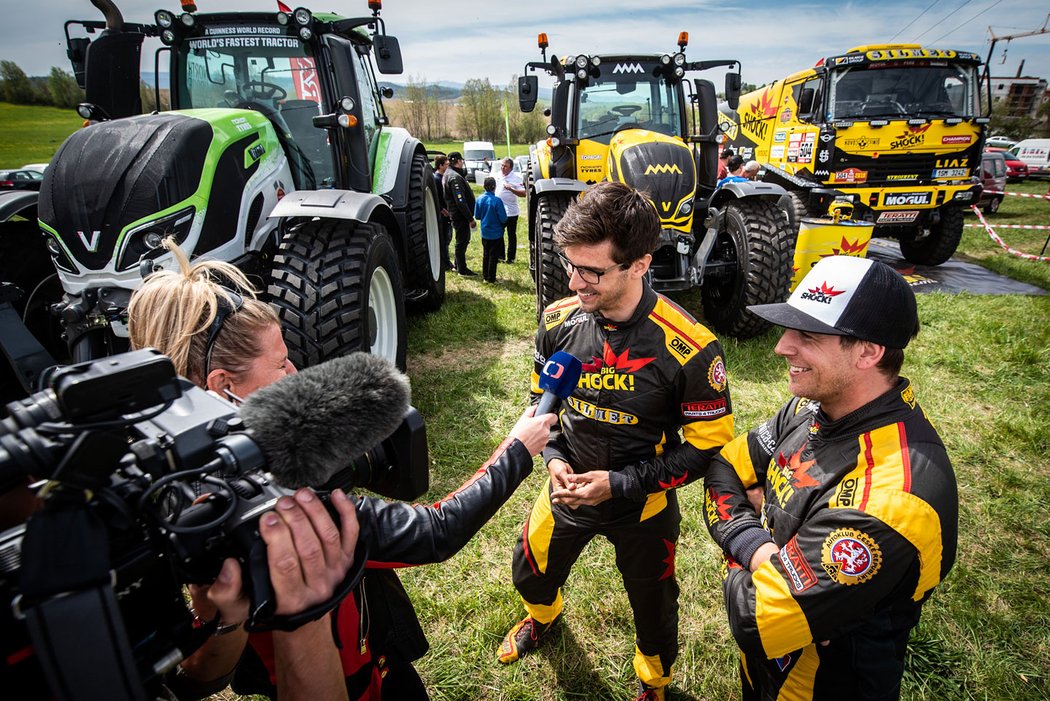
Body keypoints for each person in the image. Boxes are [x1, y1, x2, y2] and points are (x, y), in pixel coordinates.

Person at [130, 240, 558, 700]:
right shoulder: (282, 511)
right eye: (279, 363)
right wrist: (517, 449)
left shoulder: (168, 492)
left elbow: (191, 675)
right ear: (222, 386)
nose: (295, 373)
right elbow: (438, 530)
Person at [498, 181, 735, 701]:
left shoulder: (693, 348)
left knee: (655, 610)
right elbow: (546, 405)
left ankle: (653, 683)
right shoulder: (558, 321)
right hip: (567, 491)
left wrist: (622, 483)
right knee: (529, 573)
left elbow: (708, 449)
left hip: (644, 508)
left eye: (592, 272)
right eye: (569, 265)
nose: (574, 281)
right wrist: (555, 459)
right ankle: (542, 617)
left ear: (639, 265)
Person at [703, 255, 957, 700]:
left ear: (869, 351)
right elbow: (724, 467)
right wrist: (763, 553)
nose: (782, 347)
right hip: (768, 671)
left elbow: (755, 619)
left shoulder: (893, 496)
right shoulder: (811, 408)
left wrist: (747, 545)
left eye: (807, 335)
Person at [443, 151, 477, 276]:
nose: (462, 163)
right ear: (458, 161)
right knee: (461, 241)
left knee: (463, 240)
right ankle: (461, 269)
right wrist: (470, 219)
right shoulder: (454, 177)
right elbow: (460, 201)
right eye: (461, 160)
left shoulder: (450, 174)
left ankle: (458, 265)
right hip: (460, 215)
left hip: (458, 214)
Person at [474, 176, 508, 283]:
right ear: (494, 187)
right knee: (493, 256)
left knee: (486, 254)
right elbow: (503, 218)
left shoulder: (479, 199)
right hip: (496, 233)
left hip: (485, 232)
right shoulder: (497, 201)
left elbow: (477, 216)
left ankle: (485, 276)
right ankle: (491, 278)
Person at [495, 157, 526, 263]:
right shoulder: (497, 175)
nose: (503, 168)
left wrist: (511, 189)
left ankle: (511, 258)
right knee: (499, 233)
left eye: (505, 166)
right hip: (499, 210)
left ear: (511, 168)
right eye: (502, 165)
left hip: (511, 212)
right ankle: (500, 256)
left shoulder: (516, 178)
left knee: (511, 235)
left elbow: (524, 194)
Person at [433, 154, 453, 271]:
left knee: (448, 238)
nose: (448, 167)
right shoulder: (436, 179)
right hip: (442, 214)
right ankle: (445, 263)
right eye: (446, 165)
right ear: (440, 166)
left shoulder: (444, 177)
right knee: (444, 239)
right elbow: (435, 197)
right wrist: (442, 209)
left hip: (447, 213)